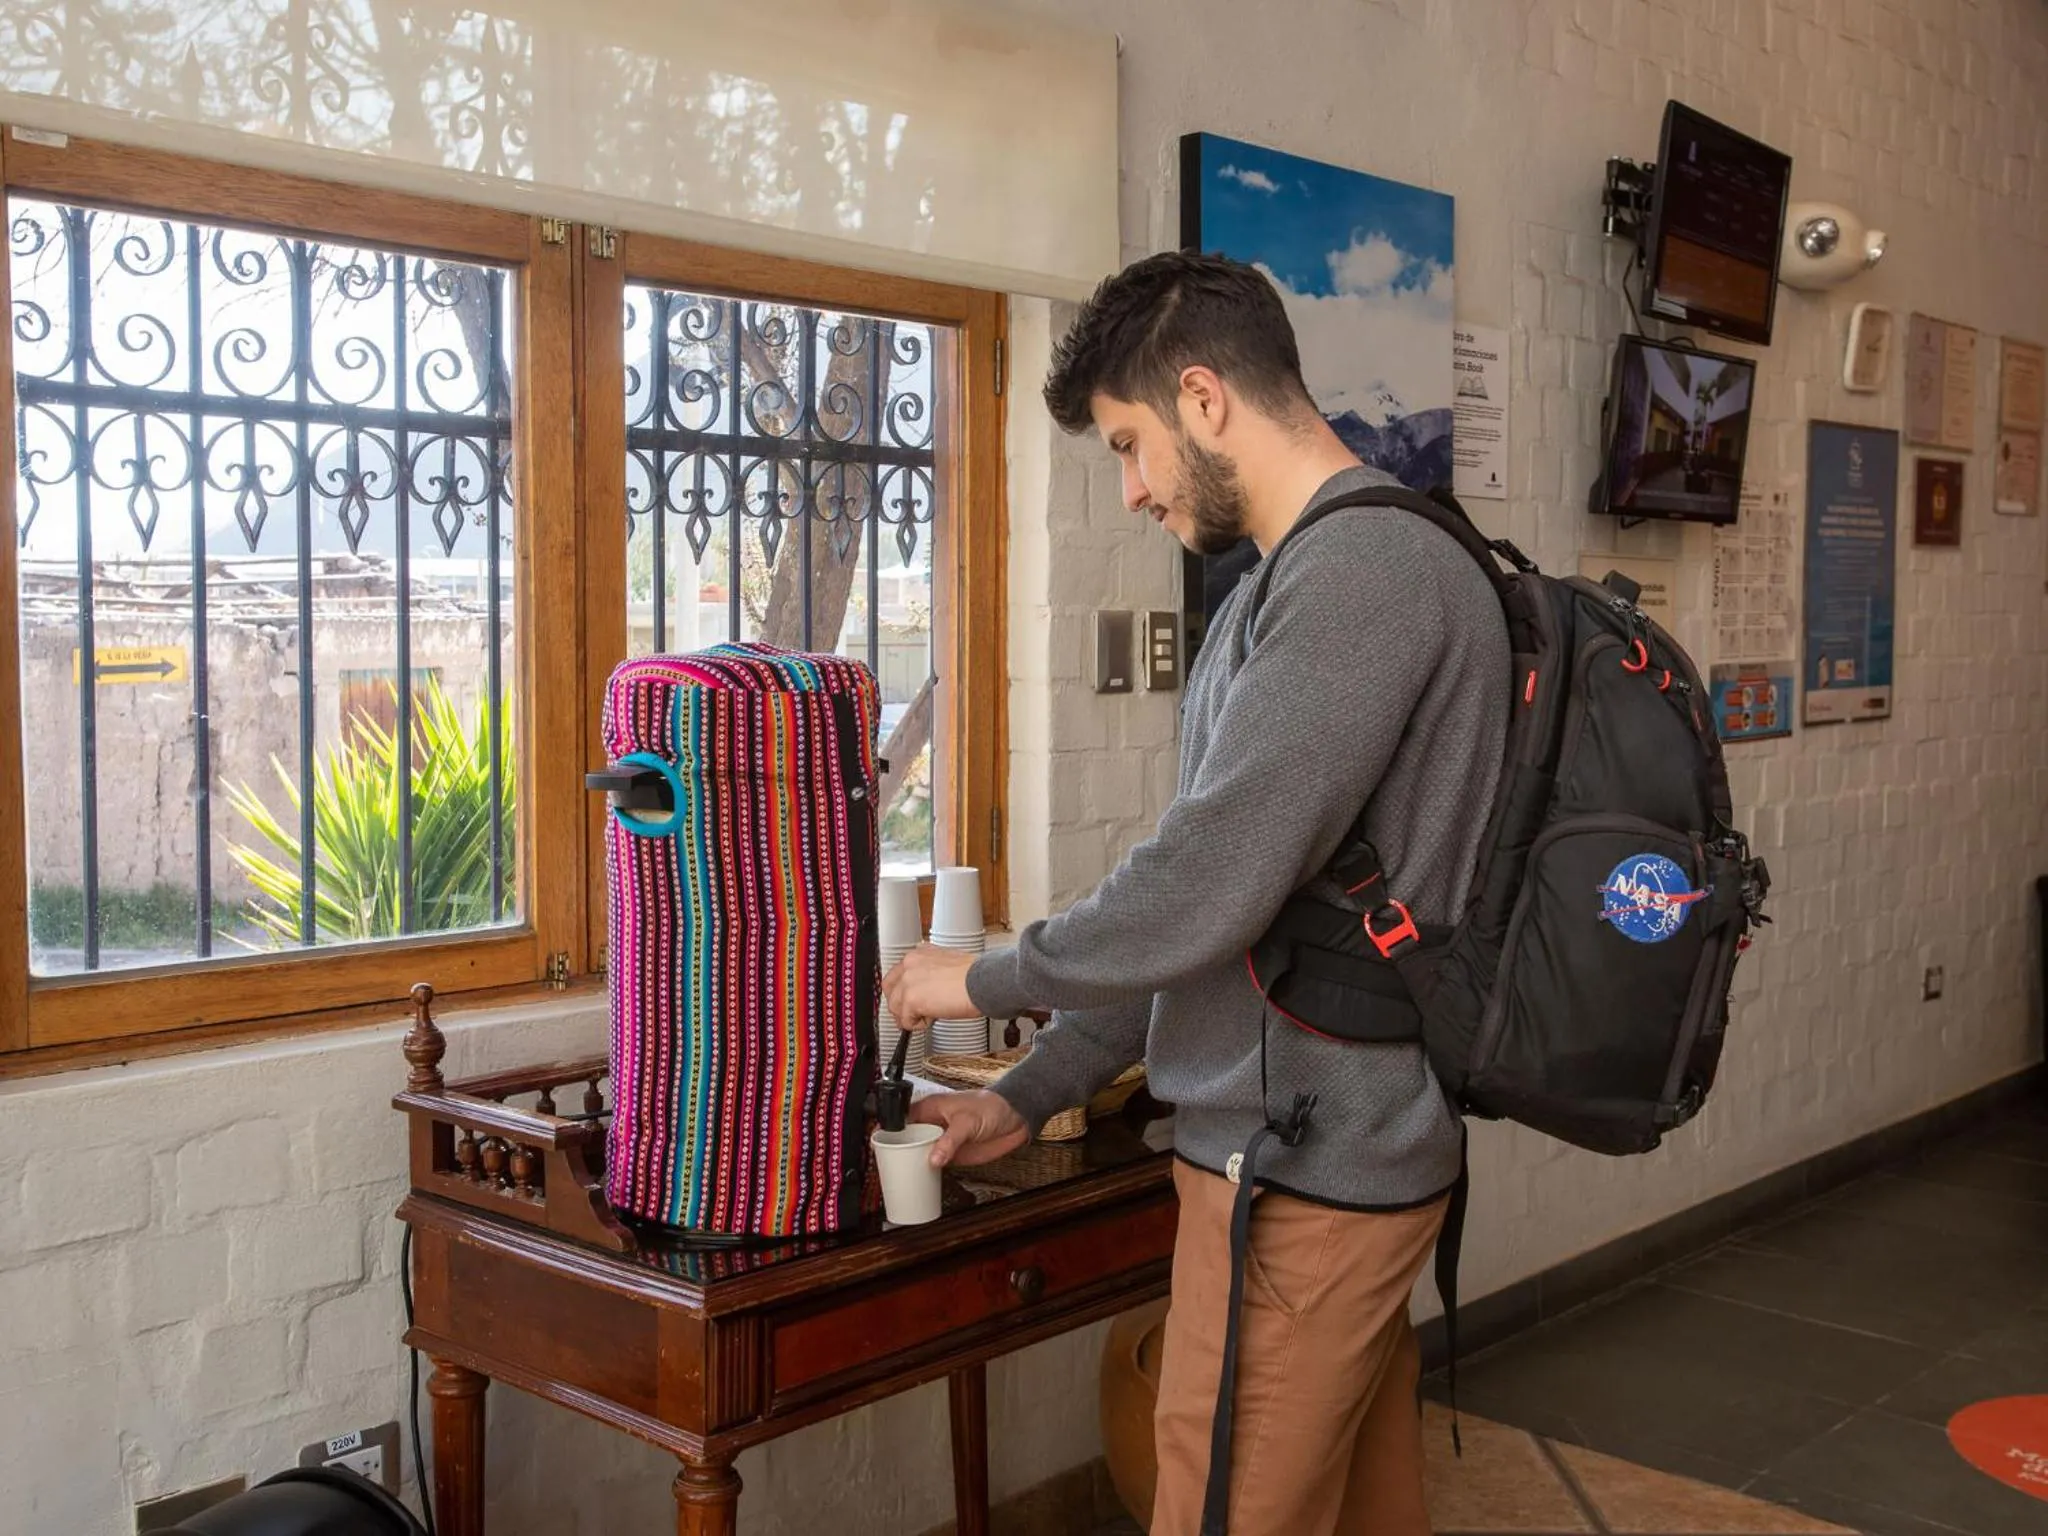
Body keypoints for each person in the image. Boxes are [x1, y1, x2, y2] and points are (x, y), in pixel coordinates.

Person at [883, 250, 1509, 1535]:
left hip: (1302, 1172)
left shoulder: (1363, 574)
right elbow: (1214, 913)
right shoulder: (1277, 589)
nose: (1128, 489)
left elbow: (1203, 886)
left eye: (1128, 444)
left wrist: (983, 976)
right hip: (1315, 1156)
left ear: (1203, 397)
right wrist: (1028, 1092)